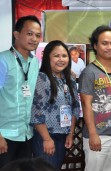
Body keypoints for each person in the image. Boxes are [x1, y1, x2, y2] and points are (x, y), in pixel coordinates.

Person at [78, 25, 111, 171]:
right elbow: (86, 104)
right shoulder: (89, 72)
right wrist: (92, 134)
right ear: (95, 46)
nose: (109, 47)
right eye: (104, 43)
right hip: (97, 136)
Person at [30, 40, 80, 169]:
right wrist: (46, 139)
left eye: (64, 56)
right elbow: (37, 112)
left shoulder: (70, 80)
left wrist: (70, 133)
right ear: (47, 58)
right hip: (45, 136)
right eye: (56, 56)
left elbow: (74, 108)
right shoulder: (42, 78)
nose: (61, 59)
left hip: (63, 135)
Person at [0, 15, 41, 168]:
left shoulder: (34, 62)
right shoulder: (3, 60)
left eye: (38, 35)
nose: (34, 39)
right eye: (29, 34)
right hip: (5, 135)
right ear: (16, 34)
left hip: (26, 135)